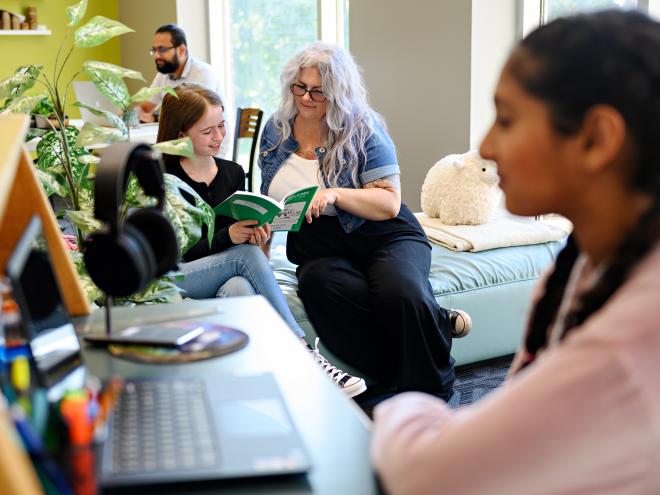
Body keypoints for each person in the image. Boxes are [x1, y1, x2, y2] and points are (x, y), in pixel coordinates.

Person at [371, 9, 660, 494]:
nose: (486, 144)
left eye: (506, 119)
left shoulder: (626, 346)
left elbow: (425, 473)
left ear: (596, 139)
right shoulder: (582, 264)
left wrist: (399, 405)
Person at [259, 42, 471, 402]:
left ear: (338, 93)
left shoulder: (363, 128)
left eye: (318, 92)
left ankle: (433, 390)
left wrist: (335, 194)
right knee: (318, 285)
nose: (306, 98)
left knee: (398, 291)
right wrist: (260, 258)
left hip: (382, 233)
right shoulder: (276, 130)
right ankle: (405, 360)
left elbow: (389, 203)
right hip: (318, 244)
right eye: (299, 87)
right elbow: (269, 203)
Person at [157, 83, 366, 397]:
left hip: (222, 273)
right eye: (207, 131)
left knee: (240, 286)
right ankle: (303, 352)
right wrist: (230, 236)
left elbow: (235, 239)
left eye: (222, 125)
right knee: (244, 257)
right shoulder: (161, 176)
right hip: (174, 276)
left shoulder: (231, 172)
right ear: (180, 134)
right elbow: (170, 251)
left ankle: (259, 386)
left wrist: (255, 233)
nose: (219, 137)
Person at [137, 24, 222, 124]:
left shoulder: (203, 73)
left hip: (211, 137)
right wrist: (130, 115)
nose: (156, 55)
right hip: (181, 137)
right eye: (154, 50)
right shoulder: (163, 75)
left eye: (162, 49)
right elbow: (145, 107)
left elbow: (194, 116)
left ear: (182, 50)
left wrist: (155, 119)